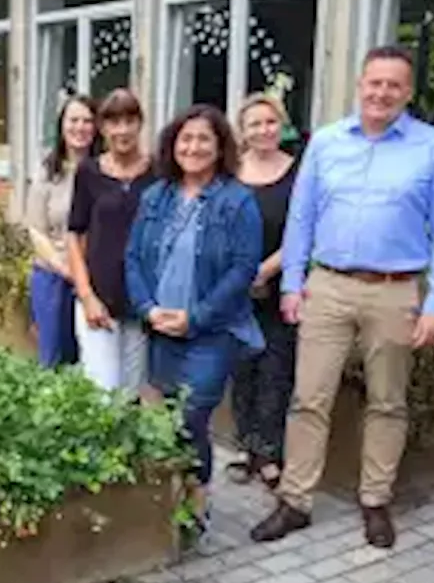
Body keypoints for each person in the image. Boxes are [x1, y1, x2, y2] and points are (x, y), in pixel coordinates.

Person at [250, 45, 434, 548]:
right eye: (375, 83)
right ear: (360, 85)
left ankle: (375, 500)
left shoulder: (432, 148)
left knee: (388, 401)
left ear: (408, 92)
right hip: (327, 286)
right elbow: (302, 218)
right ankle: (296, 499)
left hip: (395, 291)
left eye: (394, 85)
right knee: (309, 397)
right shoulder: (325, 143)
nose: (382, 93)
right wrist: (292, 284)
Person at [126, 103, 264, 545]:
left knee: (191, 418)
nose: (194, 146)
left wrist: (196, 317)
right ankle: (172, 496)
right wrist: (147, 308)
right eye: (186, 138)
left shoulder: (237, 200)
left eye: (204, 138)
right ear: (173, 144)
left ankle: (198, 499)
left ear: (220, 145)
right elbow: (132, 258)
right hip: (160, 328)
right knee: (165, 419)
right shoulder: (155, 197)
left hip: (209, 333)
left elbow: (243, 270)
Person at [226, 93, 299, 490]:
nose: (263, 130)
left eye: (270, 122)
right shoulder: (231, 172)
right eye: (254, 124)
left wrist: (265, 270)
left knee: (275, 370)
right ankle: (244, 446)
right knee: (241, 369)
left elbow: (302, 231)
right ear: (243, 130)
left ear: (281, 125)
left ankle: (270, 452)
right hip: (235, 291)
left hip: (280, 287)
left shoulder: (297, 172)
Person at [67, 89, 157, 395]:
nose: (123, 130)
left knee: (130, 395)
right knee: (104, 392)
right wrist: (86, 295)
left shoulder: (158, 172)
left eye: (130, 120)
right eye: (114, 122)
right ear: (102, 128)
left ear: (140, 123)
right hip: (99, 299)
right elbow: (74, 234)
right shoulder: (89, 172)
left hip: (142, 302)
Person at [25, 95, 100, 368]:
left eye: (88, 121)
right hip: (54, 277)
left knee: (93, 363)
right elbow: (35, 228)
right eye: (74, 120)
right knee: (54, 359)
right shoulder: (48, 171)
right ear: (62, 125)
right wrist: (64, 267)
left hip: (97, 280)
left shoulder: (106, 170)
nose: (80, 127)